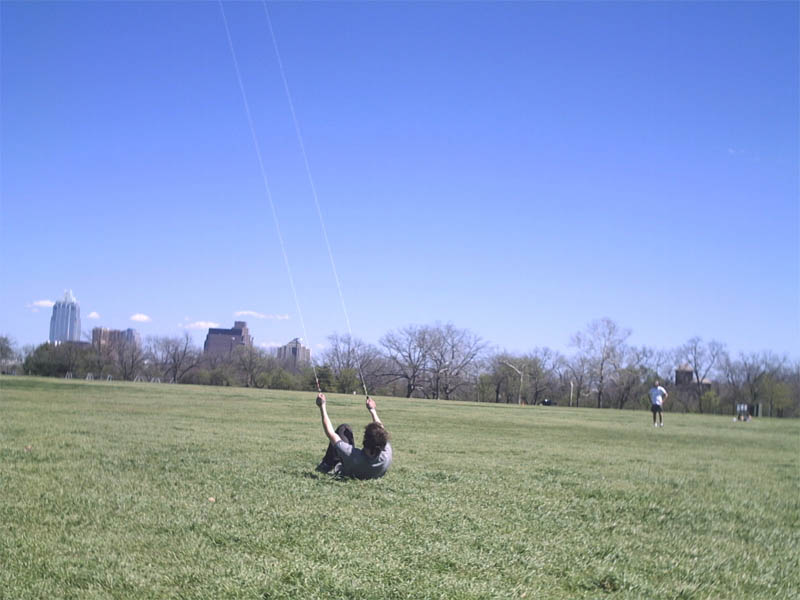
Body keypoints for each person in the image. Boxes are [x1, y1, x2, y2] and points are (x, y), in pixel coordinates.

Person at [315, 393, 392, 479]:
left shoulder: (351, 456)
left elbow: (330, 433)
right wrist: (372, 410)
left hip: (347, 469)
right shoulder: (387, 454)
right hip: (371, 472)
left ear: (365, 441)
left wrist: (322, 406)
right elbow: (381, 431)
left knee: (344, 428)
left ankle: (326, 465)